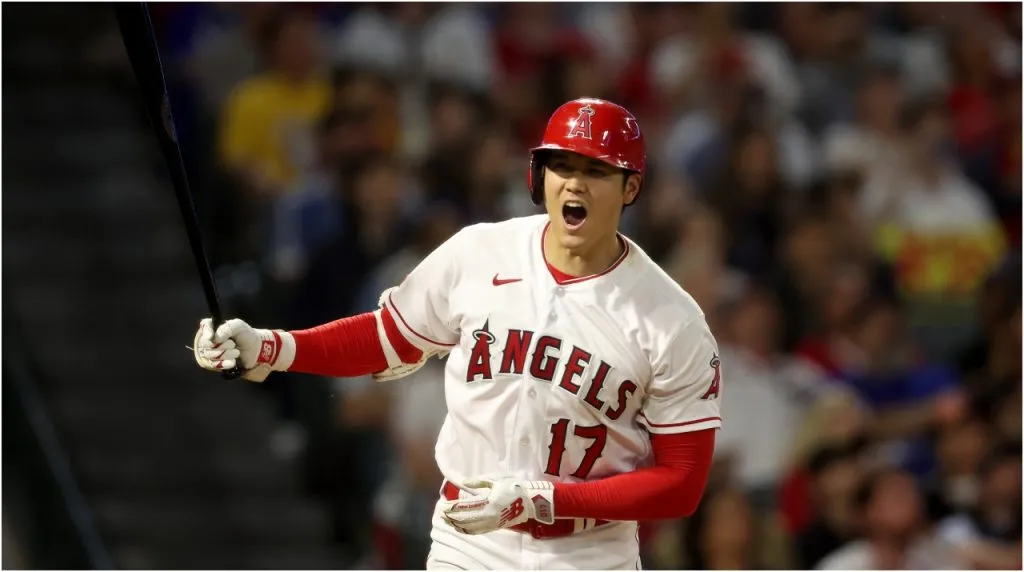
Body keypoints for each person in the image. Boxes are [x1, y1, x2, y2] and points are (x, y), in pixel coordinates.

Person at [191, 98, 722, 569]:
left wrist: (545, 499)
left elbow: (682, 484)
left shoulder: (671, 319)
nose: (575, 182)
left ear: (631, 186)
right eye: (561, 164)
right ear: (538, 176)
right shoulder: (480, 253)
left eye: (595, 170)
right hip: (471, 543)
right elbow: (389, 337)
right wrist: (271, 346)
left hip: (591, 553)